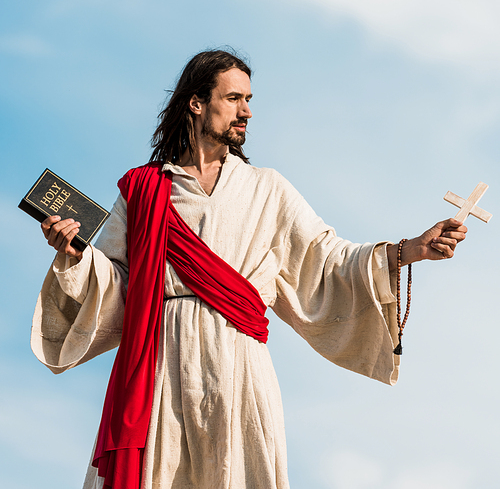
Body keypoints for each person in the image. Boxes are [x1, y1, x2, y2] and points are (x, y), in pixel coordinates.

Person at [32, 49, 467, 489]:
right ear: (197, 103)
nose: (247, 111)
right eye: (235, 98)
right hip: (163, 363)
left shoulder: (266, 188)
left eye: (249, 99)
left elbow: (327, 256)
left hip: (239, 365)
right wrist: (75, 256)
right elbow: (118, 283)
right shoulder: (142, 191)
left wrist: (409, 250)